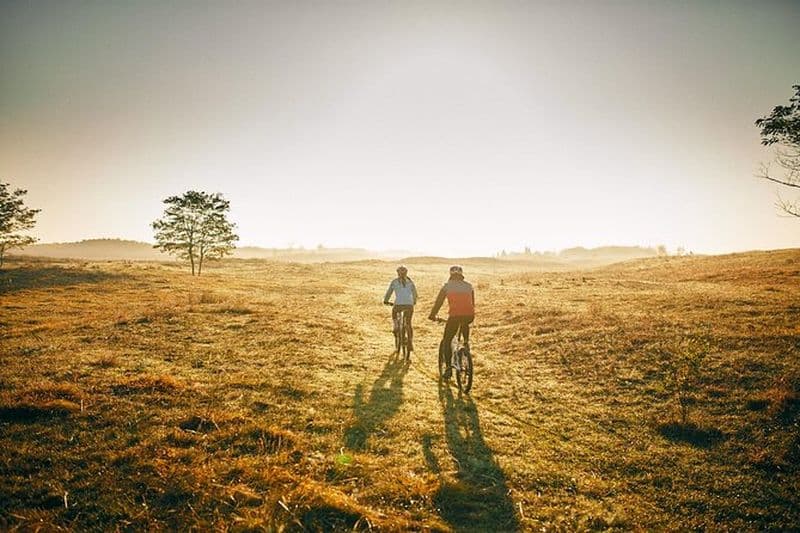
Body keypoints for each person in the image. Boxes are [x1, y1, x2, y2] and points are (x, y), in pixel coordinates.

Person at [428, 265, 474, 379]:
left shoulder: (447, 286)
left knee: (447, 340)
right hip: (469, 316)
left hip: (454, 317)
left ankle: (448, 368)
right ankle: (466, 344)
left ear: (451, 275)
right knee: (464, 322)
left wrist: (432, 315)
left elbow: (438, 303)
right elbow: (472, 303)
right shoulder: (469, 286)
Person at [383, 265, 417, 353]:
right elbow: (415, 294)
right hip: (409, 305)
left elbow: (389, 292)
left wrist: (386, 301)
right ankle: (410, 342)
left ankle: (396, 327)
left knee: (394, 313)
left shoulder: (394, 282)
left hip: (398, 305)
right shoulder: (410, 282)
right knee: (408, 323)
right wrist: (413, 302)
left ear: (398, 273)